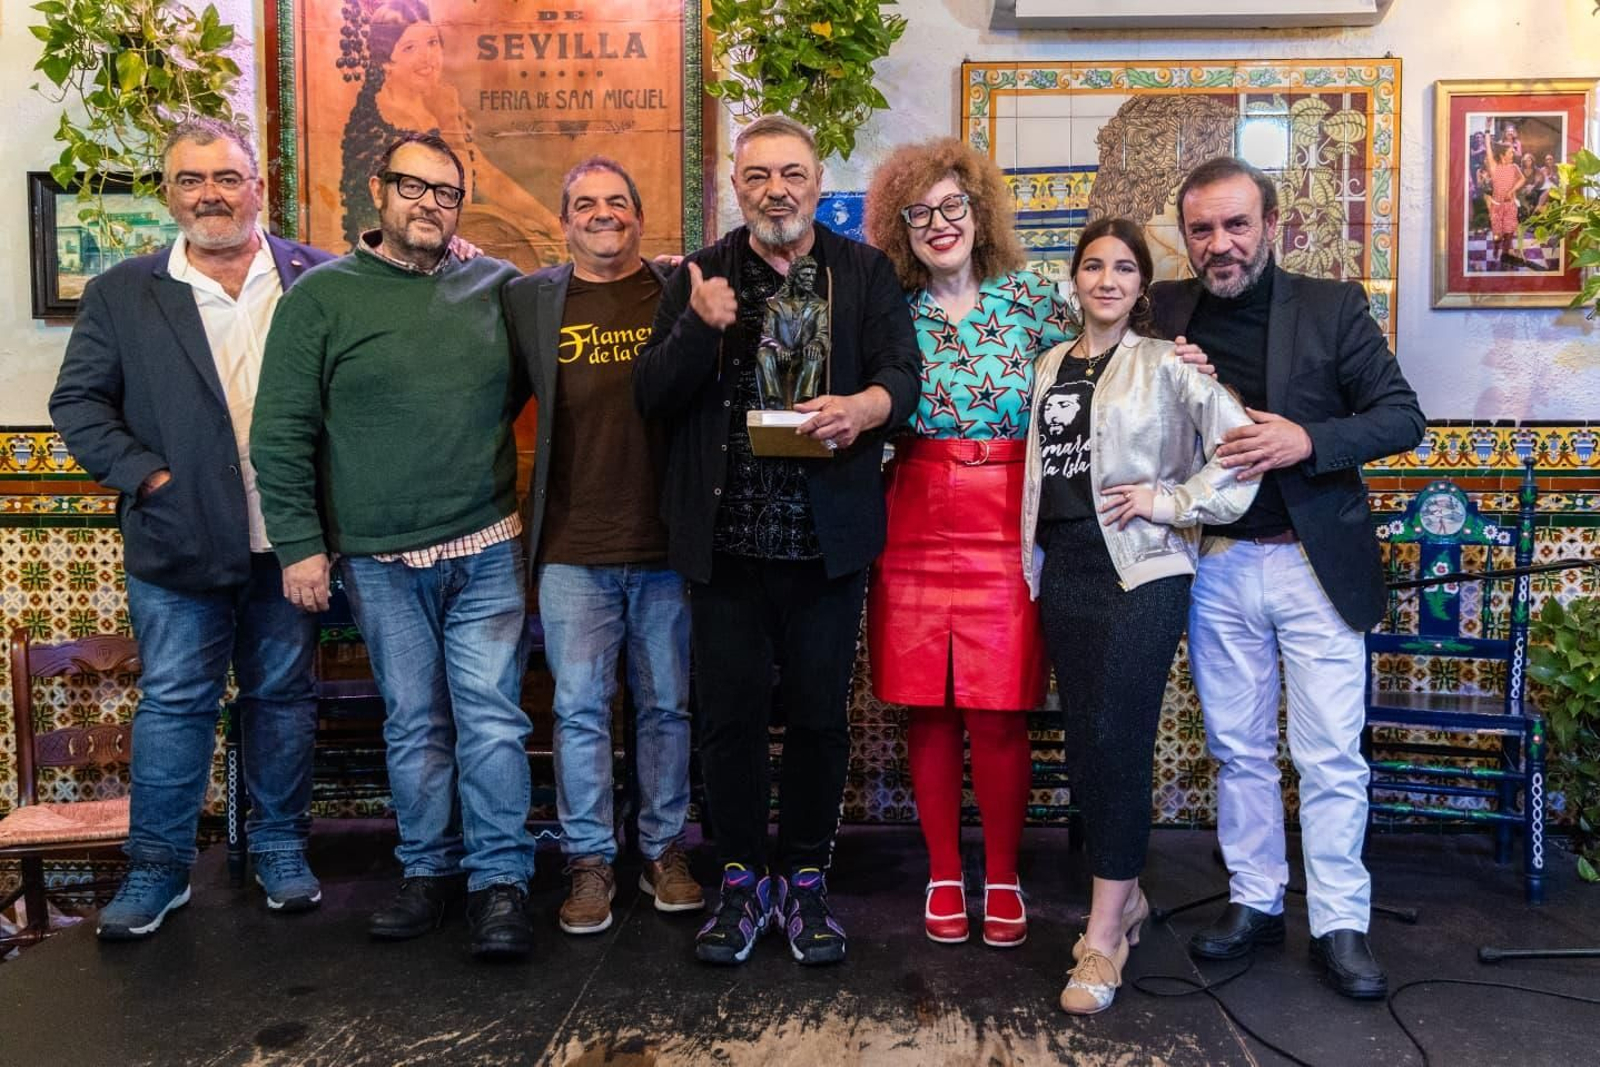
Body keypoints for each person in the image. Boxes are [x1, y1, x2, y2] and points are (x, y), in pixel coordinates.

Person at [634, 115, 920, 967]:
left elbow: (904, 376)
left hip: (827, 545)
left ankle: (802, 876)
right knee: (728, 722)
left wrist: (865, 407)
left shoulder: (863, 272)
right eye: (758, 176)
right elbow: (651, 395)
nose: (776, 191)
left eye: (791, 173)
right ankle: (738, 876)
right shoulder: (699, 274)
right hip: (723, 549)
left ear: (816, 176)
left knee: (820, 720)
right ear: (735, 183)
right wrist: (698, 326)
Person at [252, 132, 537, 959]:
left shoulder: (497, 287)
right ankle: (425, 873)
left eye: (447, 192)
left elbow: (545, 375)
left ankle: (500, 882)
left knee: (489, 721)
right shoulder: (322, 298)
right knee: (414, 723)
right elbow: (280, 432)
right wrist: (302, 545)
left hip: (487, 547)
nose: (430, 204)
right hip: (377, 559)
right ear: (378, 192)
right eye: (414, 186)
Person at [49, 118, 332, 939]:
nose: (211, 193)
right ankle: (158, 869)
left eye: (227, 177)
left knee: (281, 699)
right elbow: (77, 404)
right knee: (175, 704)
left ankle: (280, 847)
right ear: (168, 193)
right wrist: (151, 476)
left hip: (289, 541)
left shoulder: (314, 277)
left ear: (259, 185)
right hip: (176, 541)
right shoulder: (122, 292)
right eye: (190, 179)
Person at [1151, 156, 1425, 1000]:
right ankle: (1255, 900)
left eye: (1237, 225)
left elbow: (1401, 416)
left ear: (1272, 224)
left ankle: (1341, 922)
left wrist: (1305, 438)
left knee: (1331, 756)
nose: (1221, 244)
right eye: (1203, 229)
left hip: (1315, 565)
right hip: (1217, 564)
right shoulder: (1163, 310)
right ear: (1186, 236)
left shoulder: (1334, 307)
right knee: (1239, 751)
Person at [1021, 217, 1257, 1014]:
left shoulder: (1167, 365)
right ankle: (1127, 904)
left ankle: (1102, 938)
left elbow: (1242, 444)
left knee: (1119, 739)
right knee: (1089, 745)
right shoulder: (1050, 362)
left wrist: (1175, 499)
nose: (1109, 280)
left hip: (1143, 573)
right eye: (1094, 266)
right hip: (1067, 573)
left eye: (1125, 268)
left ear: (1141, 286)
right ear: (1074, 278)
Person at [860, 138, 1075, 949]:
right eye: (921, 212)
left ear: (979, 212)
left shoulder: (1035, 299)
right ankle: (945, 869)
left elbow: (1099, 363)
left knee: (1000, 708)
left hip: (1008, 517)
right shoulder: (891, 306)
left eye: (955, 205)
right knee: (928, 704)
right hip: (912, 508)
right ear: (900, 226)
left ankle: (1005, 873)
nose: (940, 223)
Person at [501, 157, 703, 936]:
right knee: (579, 711)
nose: (602, 213)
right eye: (585, 203)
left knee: (666, 708)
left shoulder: (674, 290)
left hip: (663, 546)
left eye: (617, 201)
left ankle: (662, 850)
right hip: (572, 548)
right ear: (564, 221)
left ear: (639, 217)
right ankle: (588, 858)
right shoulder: (530, 300)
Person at [339, 0, 560, 261]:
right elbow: (453, 202)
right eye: (410, 47)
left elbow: (483, 175)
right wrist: (448, 122)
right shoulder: (377, 126)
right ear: (386, 60)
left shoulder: (436, 100)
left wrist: (549, 222)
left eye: (432, 42)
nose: (427, 57)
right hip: (398, 267)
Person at [1486, 142, 1525, 269]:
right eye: (1510, 152)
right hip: (1496, 207)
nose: (1513, 154)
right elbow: (1488, 150)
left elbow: (1522, 179)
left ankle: (1505, 255)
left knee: (1509, 234)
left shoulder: (1514, 167)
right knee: (1498, 235)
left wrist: (1512, 191)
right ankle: (1497, 246)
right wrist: (1487, 130)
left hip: (1510, 206)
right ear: (1503, 155)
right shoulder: (1494, 167)